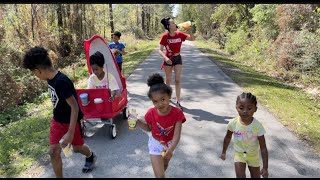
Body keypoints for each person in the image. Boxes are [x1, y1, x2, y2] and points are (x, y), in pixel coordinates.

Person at [22, 46, 97, 178]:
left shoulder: (61, 82)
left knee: (77, 148)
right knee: (53, 151)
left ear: (38, 70)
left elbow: (74, 107)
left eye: (33, 73)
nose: (35, 76)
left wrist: (70, 132)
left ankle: (90, 156)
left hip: (71, 123)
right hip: (57, 121)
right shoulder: (50, 78)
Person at [134, 73, 186, 178]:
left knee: (165, 164)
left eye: (163, 99)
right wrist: (138, 122)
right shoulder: (150, 113)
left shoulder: (177, 113)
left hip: (170, 144)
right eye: (155, 101)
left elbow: (177, 135)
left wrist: (171, 149)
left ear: (169, 96)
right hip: (155, 144)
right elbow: (149, 128)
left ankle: (161, 169)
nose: (160, 104)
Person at [220, 92, 268, 178]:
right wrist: (224, 151)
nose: (245, 111)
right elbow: (227, 137)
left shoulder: (258, 126)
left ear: (255, 109)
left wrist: (265, 167)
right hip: (239, 155)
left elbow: (263, 147)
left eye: (249, 108)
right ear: (236, 108)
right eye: (241, 108)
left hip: (253, 156)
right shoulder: (233, 123)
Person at [158, 17, 195, 111]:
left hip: (178, 58)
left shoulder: (179, 34)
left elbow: (192, 39)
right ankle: (167, 98)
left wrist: (189, 30)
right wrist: (165, 58)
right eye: (173, 23)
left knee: (178, 80)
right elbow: (160, 50)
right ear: (168, 26)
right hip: (168, 59)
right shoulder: (165, 36)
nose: (175, 24)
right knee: (168, 80)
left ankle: (178, 101)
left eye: (174, 23)